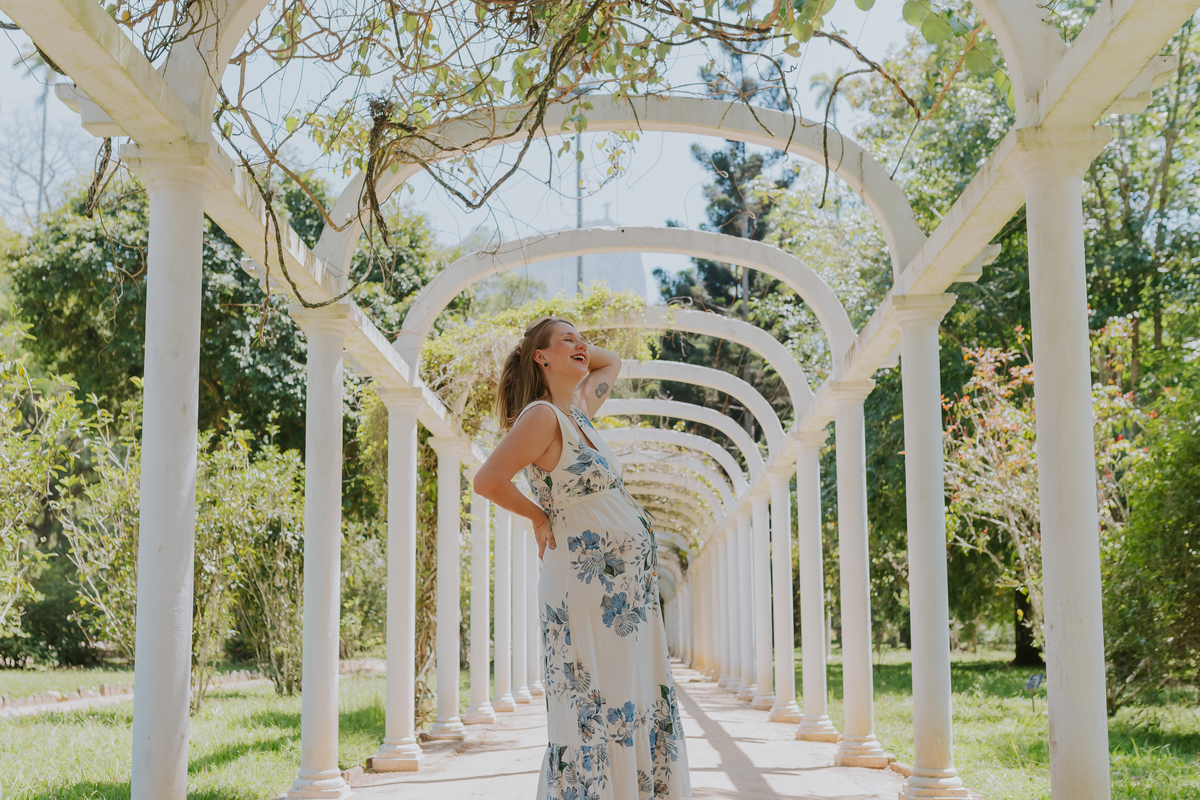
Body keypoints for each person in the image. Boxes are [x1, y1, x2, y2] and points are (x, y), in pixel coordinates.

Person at [474, 317, 691, 800]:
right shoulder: (542, 417)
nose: (582, 345)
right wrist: (538, 517)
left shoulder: (579, 410)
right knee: (598, 705)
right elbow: (488, 480)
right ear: (540, 357)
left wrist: (569, 352)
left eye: (581, 338)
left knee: (629, 697)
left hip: (625, 597)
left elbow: (611, 361)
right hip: (584, 589)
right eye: (566, 339)